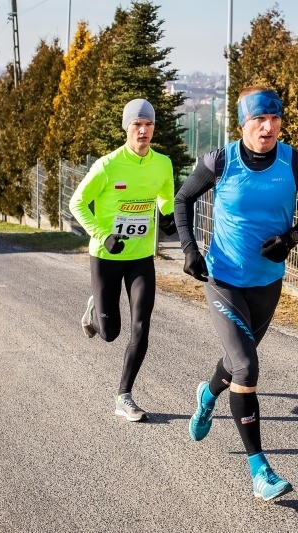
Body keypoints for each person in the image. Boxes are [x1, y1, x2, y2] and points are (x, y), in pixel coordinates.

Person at [174, 85, 298, 501]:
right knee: (246, 367)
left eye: (274, 118)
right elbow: (183, 199)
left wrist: (291, 238)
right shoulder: (220, 161)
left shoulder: (294, 161)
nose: (268, 126)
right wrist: (190, 250)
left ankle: (207, 395)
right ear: (242, 123)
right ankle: (260, 469)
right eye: (259, 119)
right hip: (224, 279)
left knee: (236, 363)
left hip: (267, 282)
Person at [69, 98, 177, 422]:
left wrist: (168, 215)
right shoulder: (107, 166)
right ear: (127, 128)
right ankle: (94, 309)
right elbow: (77, 203)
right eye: (136, 125)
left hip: (141, 257)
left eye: (148, 125)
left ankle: (124, 395)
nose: (143, 131)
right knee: (110, 332)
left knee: (141, 326)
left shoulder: (163, 164)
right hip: (106, 256)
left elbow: (165, 194)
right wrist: (103, 236)